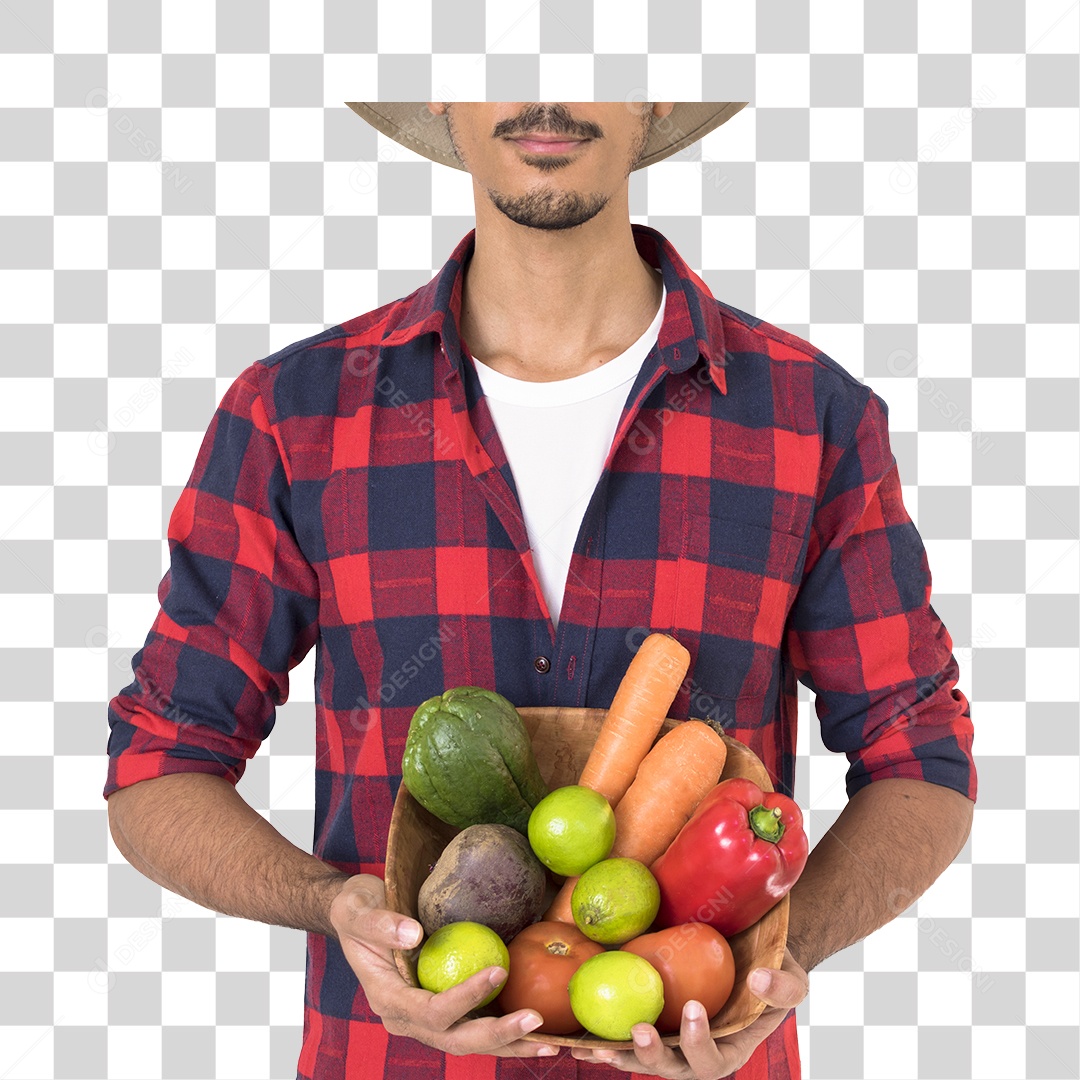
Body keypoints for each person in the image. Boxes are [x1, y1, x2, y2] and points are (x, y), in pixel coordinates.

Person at [104, 101, 977, 1080]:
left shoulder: (810, 417)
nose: (547, 84)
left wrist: (777, 957)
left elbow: (919, 759)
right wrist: (331, 905)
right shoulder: (296, 415)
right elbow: (160, 763)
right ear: (441, 96)